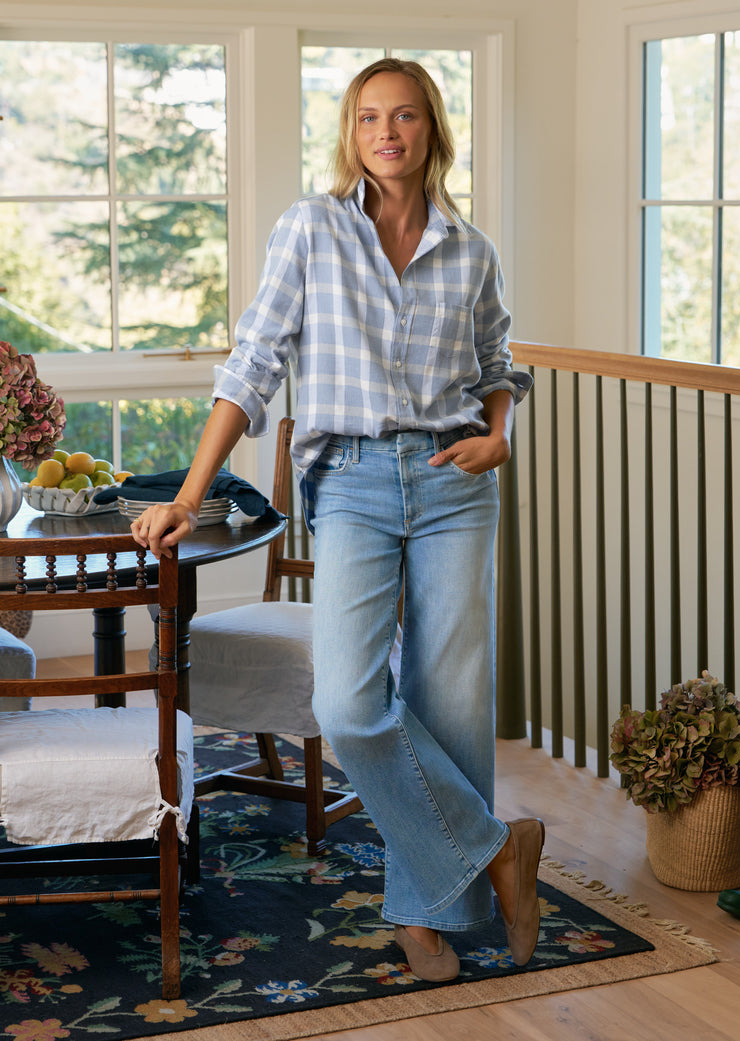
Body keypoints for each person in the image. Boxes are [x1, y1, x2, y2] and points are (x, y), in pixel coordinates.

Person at [131, 57, 542, 982]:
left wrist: (500, 436)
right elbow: (253, 363)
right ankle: (496, 846)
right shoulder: (311, 229)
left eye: (403, 117)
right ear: (350, 135)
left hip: (454, 481)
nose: (387, 133)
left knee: (449, 703)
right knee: (351, 702)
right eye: (368, 119)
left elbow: (498, 363)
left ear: (431, 129)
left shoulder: (470, 251)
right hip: (351, 478)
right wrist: (193, 494)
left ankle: (428, 919)